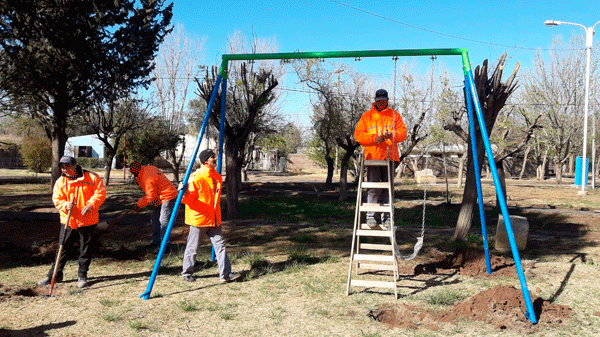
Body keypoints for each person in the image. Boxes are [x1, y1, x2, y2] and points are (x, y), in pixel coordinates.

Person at [38, 156, 106, 288]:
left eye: (67, 166)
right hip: (68, 220)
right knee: (62, 248)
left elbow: (100, 193)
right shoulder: (60, 182)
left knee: (85, 249)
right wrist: (65, 205)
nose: (64, 170)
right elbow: (57, 198)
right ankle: (55, 275)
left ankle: (82, 276)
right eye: (62, 167)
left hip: (87, 220)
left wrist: (92, 204)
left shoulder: (92, 177)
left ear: (75, 165)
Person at [180, 149, 240, 283]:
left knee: (220, 246)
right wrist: (183, 191)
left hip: (213, 219)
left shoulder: (216, 176)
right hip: (199, 219)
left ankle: (225, 275)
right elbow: (186, 199)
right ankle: (187, 273)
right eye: (212, 157)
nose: (215, 158)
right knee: (193, 247)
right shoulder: (196, 178)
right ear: (205, 161)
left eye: (215, 156)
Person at [354, 89, 407, 230]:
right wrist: (374, 138)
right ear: (376, 100)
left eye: (384, 100)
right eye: (379, 100)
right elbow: (358, 135)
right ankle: (370, 216)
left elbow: (403, 133)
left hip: (389, 157)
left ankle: (387, 218)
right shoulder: (366, 116)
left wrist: (391, 134)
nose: (382, 102)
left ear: (387, 100)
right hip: (372, 158)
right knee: (373, 188)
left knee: (388, 189)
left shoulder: (394, 115)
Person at [128, 161, 178, 249]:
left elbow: (150, 196)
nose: (133, 175)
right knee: (155, 219)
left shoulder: (147, 176)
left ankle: (165, 246)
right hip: (160, 198)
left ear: (136, 171)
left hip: (168, 196)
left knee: (163, 221)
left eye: (133, 173)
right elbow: (154, 190)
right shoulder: (147, 170)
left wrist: (139, 204)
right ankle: (156, 242)